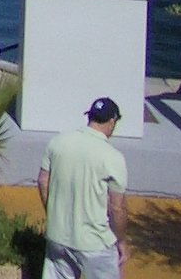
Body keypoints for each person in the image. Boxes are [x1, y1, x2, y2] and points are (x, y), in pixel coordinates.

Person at [39, 96, 128, 278]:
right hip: (95, 244)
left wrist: (54, 214)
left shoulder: (57, 142)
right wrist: (121, 240)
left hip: (58, 237)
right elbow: (117, 208)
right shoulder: (113, 157)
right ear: (112, 122)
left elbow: (42, 181)